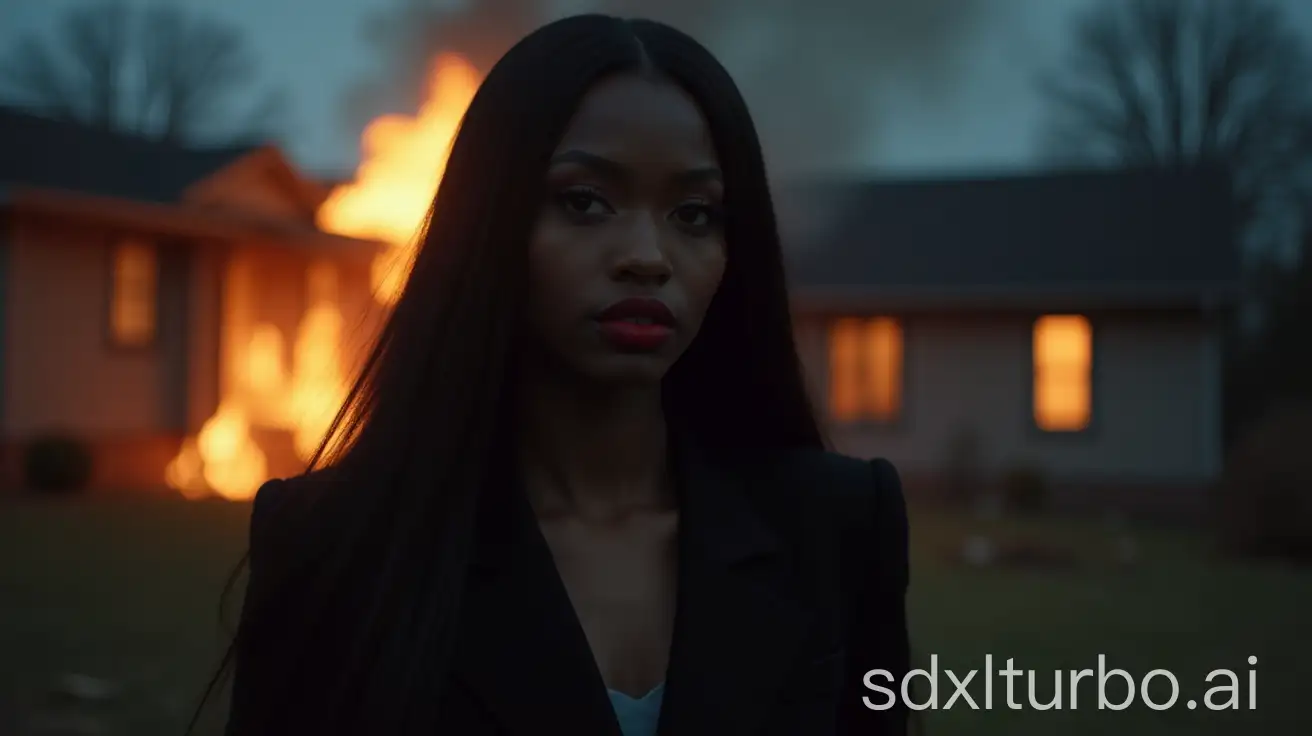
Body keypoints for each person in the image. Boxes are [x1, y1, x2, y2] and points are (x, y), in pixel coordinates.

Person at [205, 13, 910, 736]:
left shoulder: (838, 527)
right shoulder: (334, 545)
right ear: (491, 222)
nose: (647, 254)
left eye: (695, 214)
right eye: (584, 202)